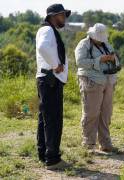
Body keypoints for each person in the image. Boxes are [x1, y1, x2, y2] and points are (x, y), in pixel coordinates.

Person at [75, 23, 120, 154]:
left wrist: (112, 59)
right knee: (92, 112)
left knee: (106, 113)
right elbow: (80, 62)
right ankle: (88, 143)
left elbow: (116, 61)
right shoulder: (83, 44)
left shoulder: (106, 44)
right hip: (92, 81)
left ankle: (105, 143)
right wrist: (99, 60)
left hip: (109, 81)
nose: (100, 40)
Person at [36, 4, 70, 170]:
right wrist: (56, 64)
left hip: (46, 79)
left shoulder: (47, 30)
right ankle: (53, 160)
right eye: (62, 15)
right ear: (53, 16)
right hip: (50, 79)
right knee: (53, 120)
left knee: (46, 119)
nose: (64, 18)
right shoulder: (48, 30)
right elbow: (43, 48)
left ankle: (44, 154)